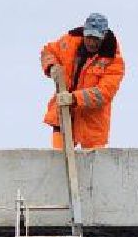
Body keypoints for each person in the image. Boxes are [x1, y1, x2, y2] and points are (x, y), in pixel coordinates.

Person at [40, 13, 124, 149]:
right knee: (58, 162)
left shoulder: (114, 60)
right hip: (63, 116)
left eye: (96, 38)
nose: (91, 42)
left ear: (103, 37)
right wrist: (52, 66)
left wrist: (74, 98)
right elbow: (48, 51)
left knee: (93, 168)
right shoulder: (70, 41)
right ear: (84, 33)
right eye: (89, 37)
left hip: (92, 125)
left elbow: (103, 94)